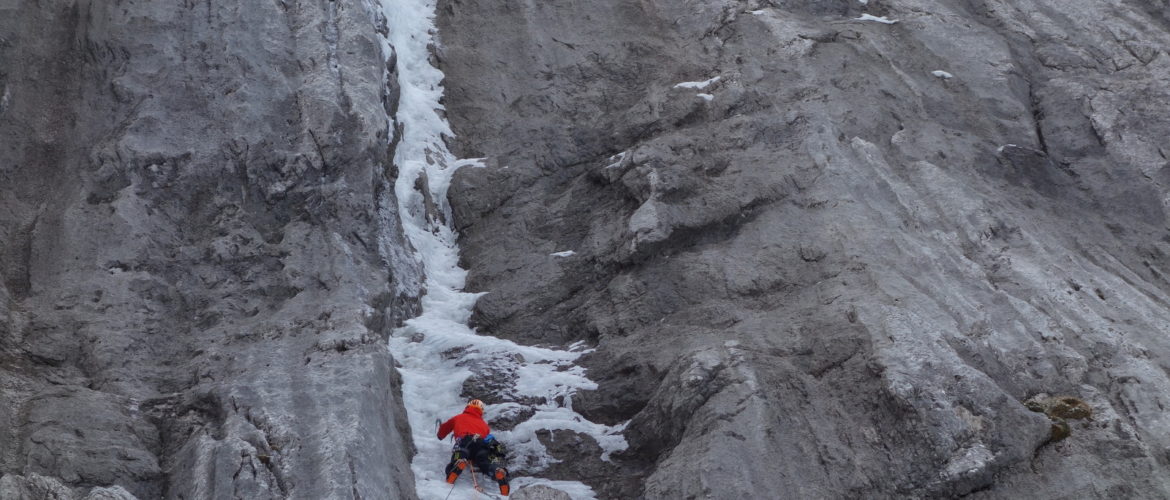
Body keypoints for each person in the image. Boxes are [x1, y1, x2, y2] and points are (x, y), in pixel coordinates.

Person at [438, 399, 510, 496]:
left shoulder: (459, 417)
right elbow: (488, 438)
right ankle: (496, 471)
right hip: (481, 444)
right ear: (481, 410)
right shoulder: (484, 424)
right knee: (484, 461)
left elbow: (444, 430)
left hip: (465, 440)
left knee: (461, 452)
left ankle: (458, 464)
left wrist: (440, 435)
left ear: (468, 407)